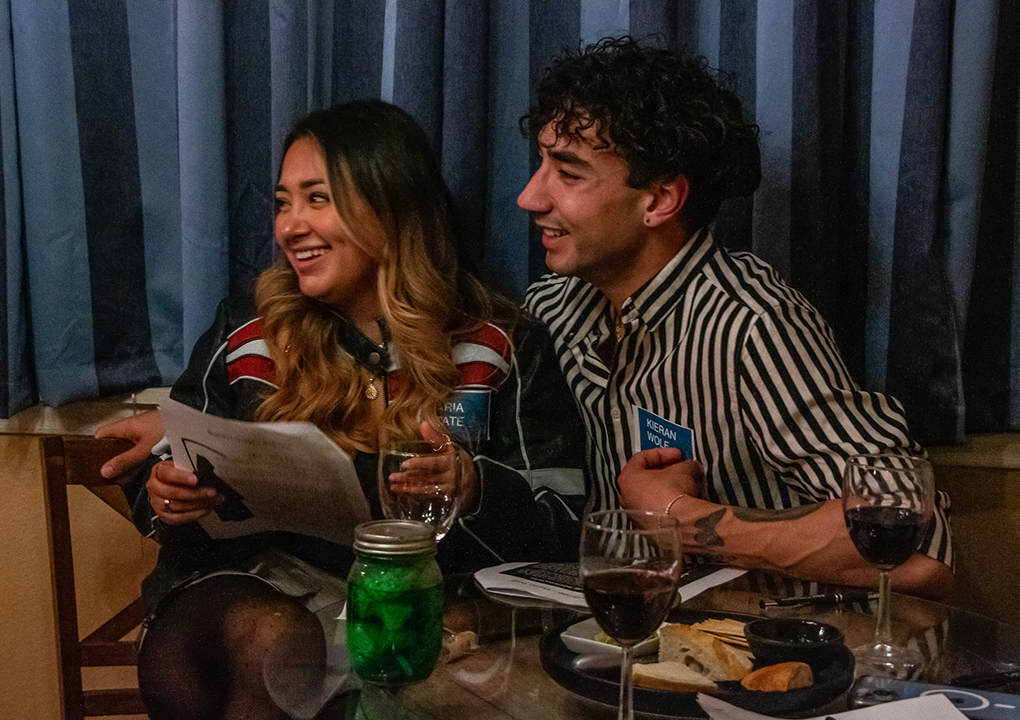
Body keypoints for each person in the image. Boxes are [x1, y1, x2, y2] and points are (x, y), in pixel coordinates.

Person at [104, 100, 586, 720]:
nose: (290, 226)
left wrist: (472, 487)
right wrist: (167, 494)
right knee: (267, 642)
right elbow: (172, 456)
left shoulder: (499, 344)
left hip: (429, 606)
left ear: (393, 208)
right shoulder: (249, 332)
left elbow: (569, 517)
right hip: (259, 590)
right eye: (283, 203)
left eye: (317, 199)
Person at [518, 36, 953, 599]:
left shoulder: (755, 323)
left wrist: (679, 517)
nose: (530, 196)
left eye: (568, 173)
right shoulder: (554, 306)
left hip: (780, 660)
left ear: (660, 200)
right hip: (632, 640)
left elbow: (919, 548)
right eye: (541, 163)